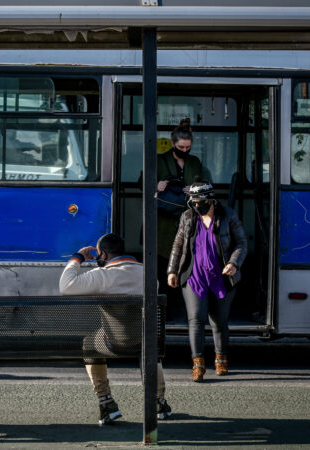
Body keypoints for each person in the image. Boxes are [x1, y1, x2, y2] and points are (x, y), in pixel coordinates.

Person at [59, 233, 175, 425]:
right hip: (144, 341)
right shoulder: (148, 275)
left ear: (103, 255)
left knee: (89, 342)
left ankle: (106, 402)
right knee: (149, 346)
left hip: (114, 343)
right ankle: (158, 402)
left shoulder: (102, 276)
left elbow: (66, 286)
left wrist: (78, 257)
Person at [167, 182, 247, 382]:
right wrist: (172, 270)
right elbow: (178, 244)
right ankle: (198, 364)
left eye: (201, 202)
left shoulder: (228, 215)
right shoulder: (187, 217)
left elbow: (242, 243)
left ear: (211, 200)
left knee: (219, 322)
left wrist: (234, 263)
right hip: (194, 276)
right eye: (193, 202)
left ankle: (221, 359)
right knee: (196, 319)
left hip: (222, 276)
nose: (197, 205)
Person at [157, 118, 206, 319]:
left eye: (188, 147)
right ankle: (164, 308)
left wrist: (193, 189)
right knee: (163, 264)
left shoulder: (194, 162)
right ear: (172, 144)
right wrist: (156, 186)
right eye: (181, 147)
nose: (185, 151)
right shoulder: (159, 161)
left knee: (187, 261)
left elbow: (205, 187)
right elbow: (141, 184)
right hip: (164, 221)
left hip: (189, 219)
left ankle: (186, 307)